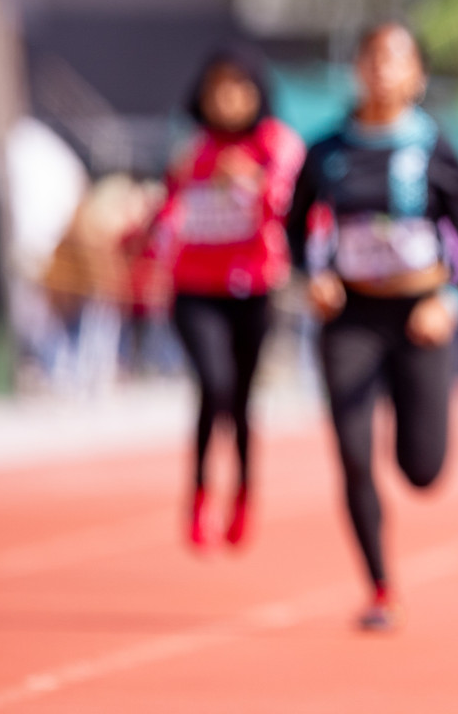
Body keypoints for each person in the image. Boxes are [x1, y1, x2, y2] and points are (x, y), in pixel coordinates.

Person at [286, 22, 458, 632]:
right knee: (350, 453)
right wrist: (310, 275)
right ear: (356, 69)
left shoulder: (435, 147)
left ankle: (417, 411)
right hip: (350, 314)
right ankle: (379, 586)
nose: (381, 69)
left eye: (396, 59)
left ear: (417, 76)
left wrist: (447, 298)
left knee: (421, 468)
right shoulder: (327, 151)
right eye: (371, 58)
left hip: (419, 314)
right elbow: (293, 228)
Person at [145, 43, 305, 548]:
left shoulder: (277, 145)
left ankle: (243, 490)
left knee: (239, 398)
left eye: (239, 88)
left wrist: (255, 184)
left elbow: (292, 209)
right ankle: (196, 494)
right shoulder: (190, 150)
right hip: (194, 287)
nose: (228, 99)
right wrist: (150, 246)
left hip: (254, 287)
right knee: (212, 385)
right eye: (218, 88)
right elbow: (168, 212)